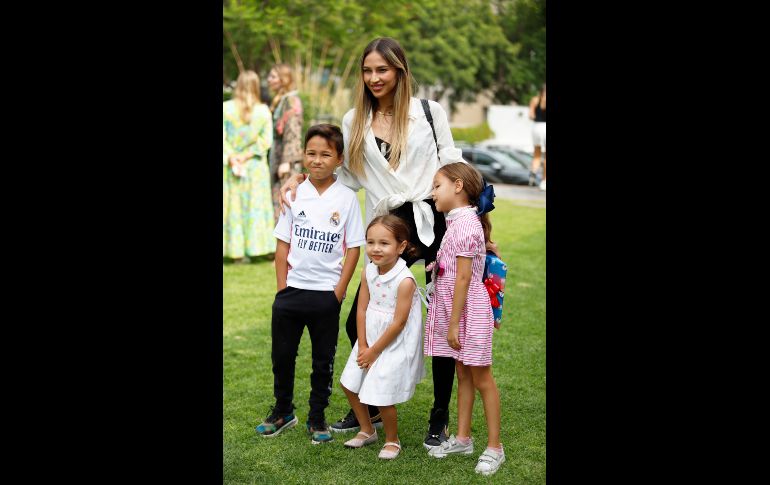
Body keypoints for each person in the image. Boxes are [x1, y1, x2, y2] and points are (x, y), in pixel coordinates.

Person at [280, 37, 471, 449]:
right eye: (367, 71)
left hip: (430, 227)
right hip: (383, 231)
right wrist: (302, 177)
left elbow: (452, 164)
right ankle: (370, 402)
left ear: (400, 70)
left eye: (382, 70)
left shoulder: (428, 112)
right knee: (358, 322)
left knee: (438, 328)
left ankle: (438, 416)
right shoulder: (355, 120)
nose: (374, 78)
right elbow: (346, 176)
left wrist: (474, 224)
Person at [255, 124, 365, 445]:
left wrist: (340, 291)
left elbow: (354, 247)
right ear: (304, 155)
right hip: (291, 292)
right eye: (311, 153)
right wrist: (281, 290)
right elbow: (283, 245)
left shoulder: (346, 199)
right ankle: (283, 411)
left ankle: (317, 416)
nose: (317, 160)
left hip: (325, 296)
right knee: (283, 356)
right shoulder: (294, 193)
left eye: (325, 154)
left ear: (339, 159)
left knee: (322, 361)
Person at [424, 162, 504, 476]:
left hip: (468, 312)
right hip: (458, 309)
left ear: (458, 186)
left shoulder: (467, 224)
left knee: (481, 377)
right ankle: (463, 438)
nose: (433, 194)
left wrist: (454, 323)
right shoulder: (457, 221)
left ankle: (495, 447)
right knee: (463, 374)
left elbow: (463, 279)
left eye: (437, 186)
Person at [338, 215, 424, 460]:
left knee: (382, 393)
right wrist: (363, 344)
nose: (376, 248)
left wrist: (375, 350)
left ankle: (392, 439)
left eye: (384, 243)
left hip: (392, 342)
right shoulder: (368, 271)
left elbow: (399, 322)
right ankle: (367, 430)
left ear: (401, 247)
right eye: (371, 242)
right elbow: (362, 308)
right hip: (369, 338)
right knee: (349, 383)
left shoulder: (405, 280)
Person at [223, 70, 275, 263]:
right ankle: (257, 249)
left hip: (231, 165)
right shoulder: (263, 111)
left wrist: (232, 157)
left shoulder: (226, 108)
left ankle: (235, 252)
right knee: (255, 207)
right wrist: (246, 155)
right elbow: (265, 141)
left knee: (233, 207)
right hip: (253, 165)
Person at [267, 63, 304, 223]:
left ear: (284, 79)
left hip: (286, 160)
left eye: (273, 76)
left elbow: (293, 132)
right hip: (277, 155)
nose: (269, 80)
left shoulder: (291, 100)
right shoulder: (280, 100)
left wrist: (287, 162)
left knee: (285, 201)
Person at [528, 83, 546, 191]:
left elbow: (531, 115)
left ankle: (533, 174)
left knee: (537, 154)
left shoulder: (535, 100)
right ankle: (544, 181)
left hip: (536, 127)